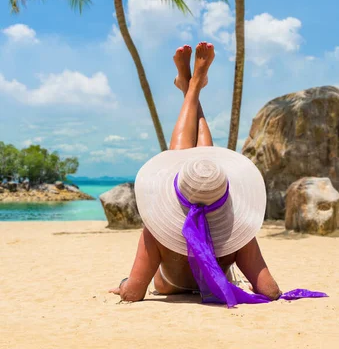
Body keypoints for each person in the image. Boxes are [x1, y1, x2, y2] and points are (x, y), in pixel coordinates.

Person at [109, 43, 325, 307]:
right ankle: (192, 85)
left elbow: (133, 292)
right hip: (219, 270)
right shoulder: (238, 230)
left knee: (190, 163)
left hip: (169, 285)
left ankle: (191, 86)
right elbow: (269, 291)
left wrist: (123, 285)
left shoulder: (155, 231)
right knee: (204, 166)